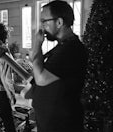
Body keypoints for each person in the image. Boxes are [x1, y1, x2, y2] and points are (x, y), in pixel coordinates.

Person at [29, 1, 88, 132]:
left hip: (62, 124)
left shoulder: (71, 49)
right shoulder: (63, 46)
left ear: (59, 22)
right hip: (53, 122)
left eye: (44, 21)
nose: (41, 26)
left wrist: (37, 44)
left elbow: (41, 78)